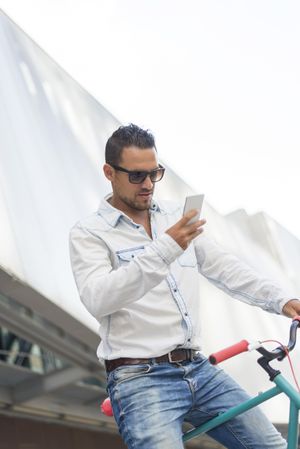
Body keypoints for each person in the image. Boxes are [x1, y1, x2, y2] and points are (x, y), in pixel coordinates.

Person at [69, 123, 300, 449]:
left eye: (154, 173)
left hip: (199, 368)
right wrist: (165, 248)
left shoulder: (176, 216)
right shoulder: (89, 233)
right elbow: (98, 298)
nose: (148, 184)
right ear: (109, 172)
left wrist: (282, 299)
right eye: (137, 176)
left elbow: (224, 267)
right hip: (140, 380)